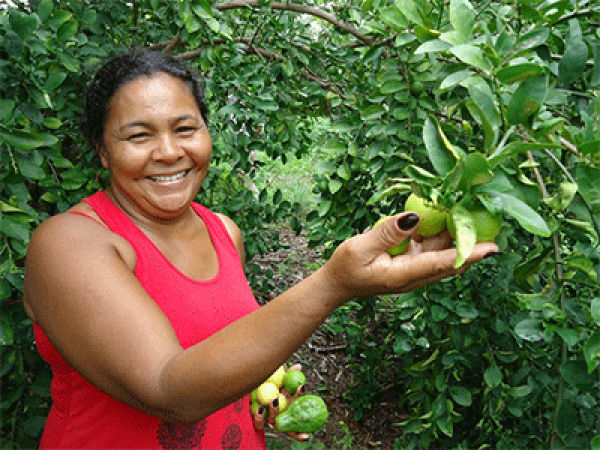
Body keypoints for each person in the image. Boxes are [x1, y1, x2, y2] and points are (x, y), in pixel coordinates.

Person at [22, 48, 498, 449]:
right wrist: (333, 286)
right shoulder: (69, 244)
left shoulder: (224, 232)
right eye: (138, 135)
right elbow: (168, 388)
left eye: (185, 129)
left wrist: (264, 392)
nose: (169, 152)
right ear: (102, 149)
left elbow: (220, 347)